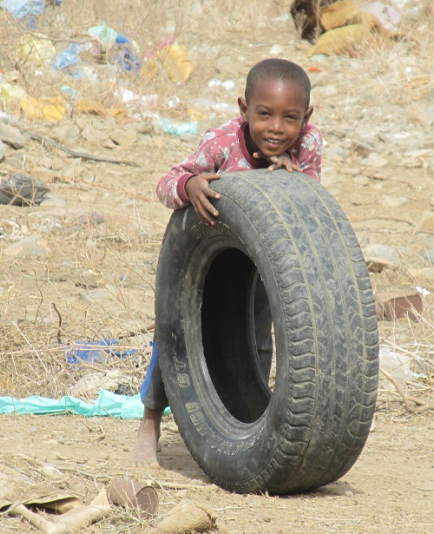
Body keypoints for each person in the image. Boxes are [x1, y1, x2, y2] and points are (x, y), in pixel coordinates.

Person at [130, 57, 323, 467]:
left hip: (265, 269)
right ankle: (150, 421)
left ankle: (251, 420)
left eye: (290, 118)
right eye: (264, 114)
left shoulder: (308, 145)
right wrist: (190, 184)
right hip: (208, 262)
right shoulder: (222, 142)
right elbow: (165, 184)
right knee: (175, 342)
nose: (276, 128)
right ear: (244, 109)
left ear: (306, 117)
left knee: (259, 342)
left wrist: (292, 179)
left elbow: (311, 206)